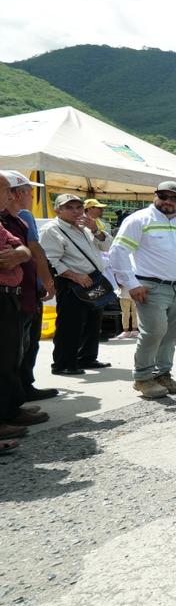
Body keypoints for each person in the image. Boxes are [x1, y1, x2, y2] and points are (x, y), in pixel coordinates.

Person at [108, 181, 176, 398]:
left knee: (172, 333)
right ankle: (142, 378)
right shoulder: (140, 219)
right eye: (163, 196)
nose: (168, 201)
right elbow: (118, 251)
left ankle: (162, 375)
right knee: (154, 332)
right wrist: (132, 284)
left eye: (174, 198)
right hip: (150, 286)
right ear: (155, 196)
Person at [40, 193, 114, 376]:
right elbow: (50, 261)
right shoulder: (52, 229)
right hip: (71, 282)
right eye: (69, 207)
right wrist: (75, 276)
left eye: (79, 207)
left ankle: (86, 357)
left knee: (93, 322)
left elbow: (107, 246)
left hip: (93, 280)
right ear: (58, 210)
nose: (75, 211)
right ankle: (63, 363)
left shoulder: (86, 227)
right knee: (70, 324)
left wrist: (96, 230)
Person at [2, 172, 57, 403]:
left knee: (26, 343)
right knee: (13, 349)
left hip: (26, 290)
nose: (32, 196)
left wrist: (41, 282)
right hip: (14, 293)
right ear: (16, 193)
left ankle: (23, 388)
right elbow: (32, 250)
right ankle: (14, 400)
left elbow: (27, 251)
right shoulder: (11, 219)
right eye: (28, 192)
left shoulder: (21, 218)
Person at [0, 172, 44, 438]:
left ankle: (9, 410)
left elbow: (24, 249)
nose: (10, 196)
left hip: (12, 296)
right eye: (6, 191)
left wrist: (18, 254)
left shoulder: (8, 222)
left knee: (10, 357)